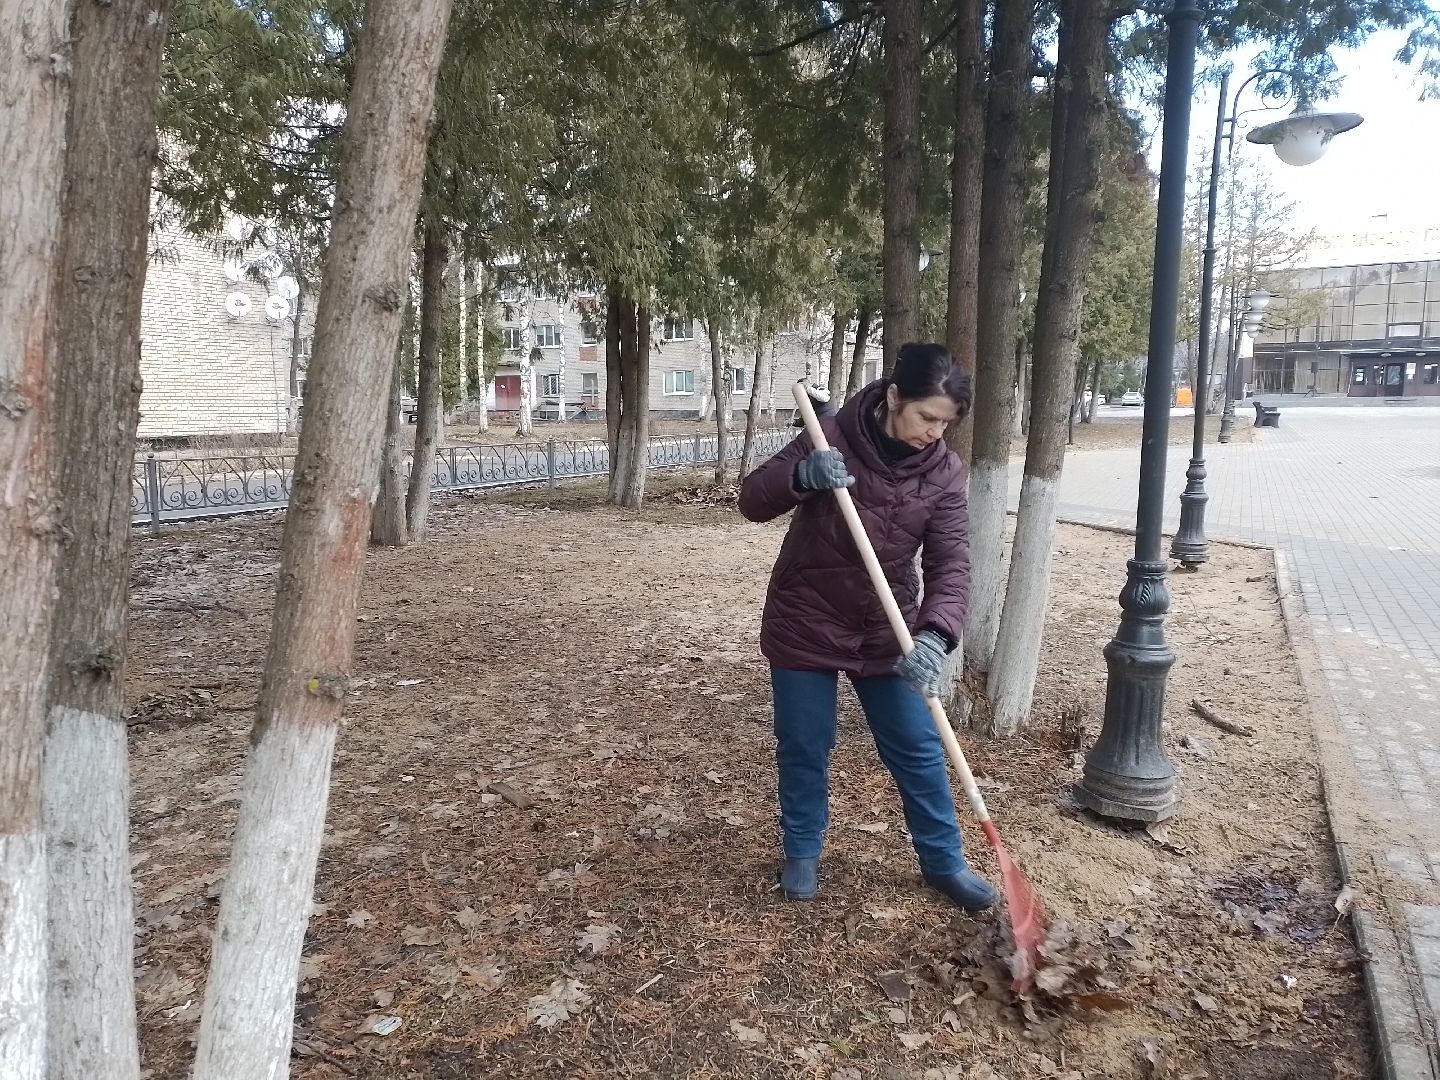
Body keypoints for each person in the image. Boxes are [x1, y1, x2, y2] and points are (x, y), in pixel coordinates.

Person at [737, 342, 994, 912]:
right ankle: (802, 851)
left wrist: (936, 634)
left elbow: (952, 562)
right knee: (805, 743)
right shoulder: (830, 433)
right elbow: (751, 501)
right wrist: (802, 474)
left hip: (888, 628)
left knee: (918, 746)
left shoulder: (945, 473)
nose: (934, 432)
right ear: (894, 396)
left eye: (944, 423)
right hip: (808, 614)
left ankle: (944, 860)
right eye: (926, 417)